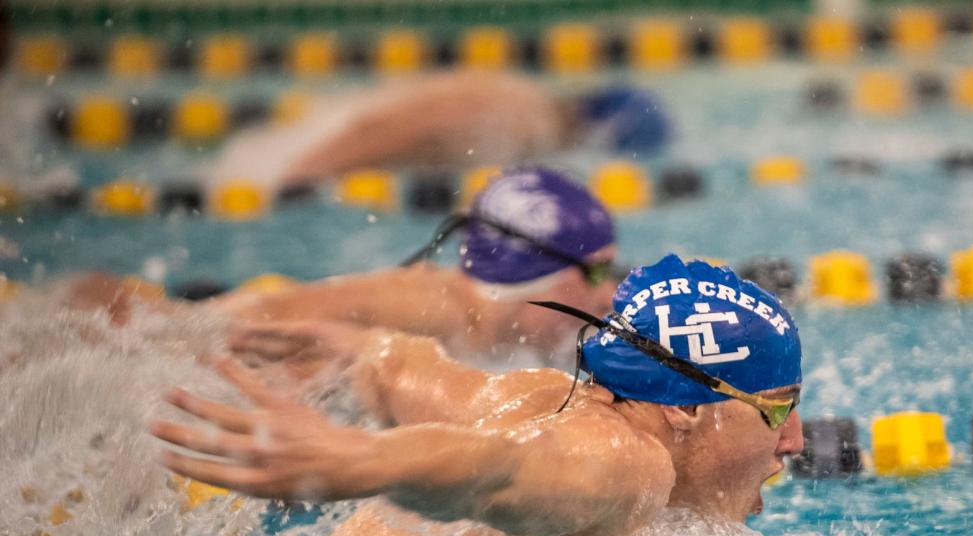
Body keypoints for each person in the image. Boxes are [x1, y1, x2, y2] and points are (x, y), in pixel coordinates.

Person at [150, 254, 805, 536]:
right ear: (687, 406)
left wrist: (355, 351)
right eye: (778, 409)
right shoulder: (626, 462)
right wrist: (354, 460)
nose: (795, 441)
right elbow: (507, 471)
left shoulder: (538, 393)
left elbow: (411, 369)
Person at [219, 166, 620, 364]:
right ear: (532, 272)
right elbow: (231, 332)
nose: (607, 295)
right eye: (597, 272)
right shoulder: (428, 315)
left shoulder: (493, 339)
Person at [208, 72, 669, 197]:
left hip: (276, 155)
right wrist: (297, 179)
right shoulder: (521, 120)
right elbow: (390, 126)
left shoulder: (528, 102)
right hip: (274, 171)